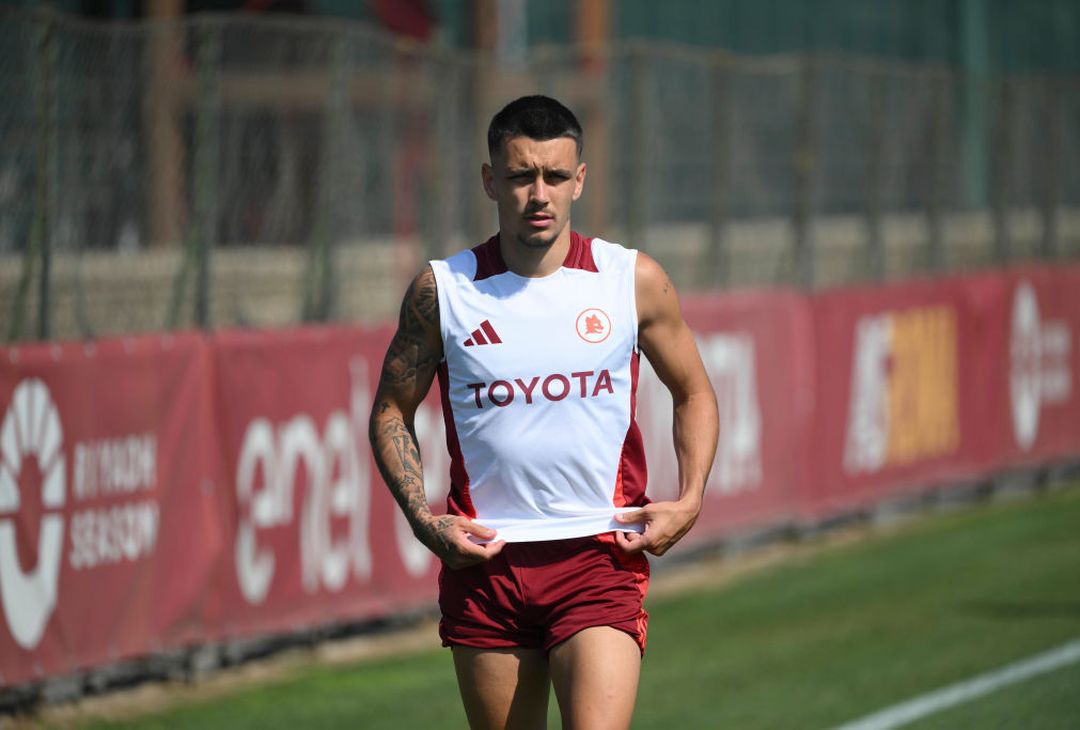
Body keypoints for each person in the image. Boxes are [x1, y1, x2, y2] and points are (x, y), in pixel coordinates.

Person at [370, 94, 719, 730]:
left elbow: (693, 390)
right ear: (489, 180)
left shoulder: (630, 280)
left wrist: (690, 498)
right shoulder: (443, 291)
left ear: (579, 179)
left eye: (556, 176)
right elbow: (390, 409)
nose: (539, 194)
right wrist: (424, 522)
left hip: (598, 555)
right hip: (485, 562)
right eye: (521, 176)